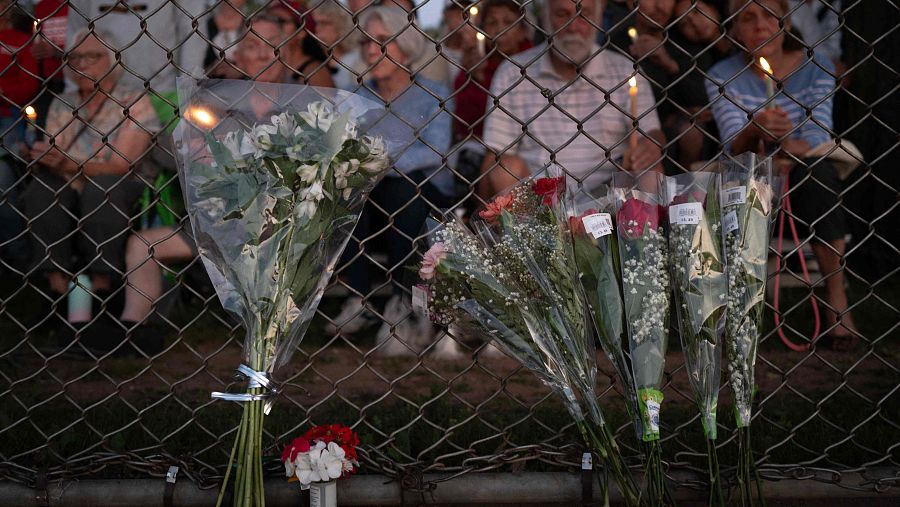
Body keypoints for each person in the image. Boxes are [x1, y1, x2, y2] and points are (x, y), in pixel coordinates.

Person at [705, 0, 857, 349]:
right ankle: (738, 309)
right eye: (748, 18)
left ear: (785, 23)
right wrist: (755, 128)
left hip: (804, 174)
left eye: (770, 15)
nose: (761, 25)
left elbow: (819, 135)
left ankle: (837, 300)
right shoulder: (721, 75)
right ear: (734, 30)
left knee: (819, 175)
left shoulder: (816, 65)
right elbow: (733, 144)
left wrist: (784, 140)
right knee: (738, 184)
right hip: (751, 176)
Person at [21, 28, 160, 349]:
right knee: (43, 188)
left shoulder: (134, 102)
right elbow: (56, 154)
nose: (82, 64)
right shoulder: (63, 102)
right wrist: (44, 157)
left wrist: (65, 162)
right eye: (74, 58)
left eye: (92, 56)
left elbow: (121, 165)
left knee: (104, 187)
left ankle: (101, 291)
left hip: (118, 183)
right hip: (69, 182)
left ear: (113, 61)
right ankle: (56, 293)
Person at [329, 6, 454, 356]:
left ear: (407, 45)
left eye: (383, 41)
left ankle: (403, 305)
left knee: (404, 190)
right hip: (371, 190)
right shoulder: (357, 98)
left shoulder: (435, 94)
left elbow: (435, 151)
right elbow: (345, 151)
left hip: (422, 188)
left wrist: (376, 162)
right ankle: (361, 298)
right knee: (345, 188)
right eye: (366, 41)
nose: (371, 50)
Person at [481, 0, 664, 197]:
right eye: (562, 14)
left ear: (598, 18)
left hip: (613, 192)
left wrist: (651, 145)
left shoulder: (626, 72)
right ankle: (526, 228)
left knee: (650, 167)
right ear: (545, 18)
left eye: (583, 15)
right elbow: (496, 155)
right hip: (539, 196)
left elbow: (652, 133)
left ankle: (646, 227)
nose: (573, 26)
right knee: (505, 167)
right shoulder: (513, 73)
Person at [453, 0, 532, 143]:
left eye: (508, 22)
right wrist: (476, 79)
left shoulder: (534, 63)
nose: (500, 29)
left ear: (522, 32)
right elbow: (465, 124)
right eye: (492, 23)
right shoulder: (475, 64)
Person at [0, 0, 41, 266]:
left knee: (2, 178)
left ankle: (17, 253)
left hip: (7, 117)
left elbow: (29, 84)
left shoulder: (19, 41)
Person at [265, 0, 335, 87]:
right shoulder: (261, 62)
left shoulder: (314, 72)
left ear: (301, 32)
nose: (271, 26)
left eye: (280, 21)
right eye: (268, 20)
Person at [311, 0, 362, 90]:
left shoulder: (356, 60)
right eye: (315, 23)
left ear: (341, 25)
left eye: (324, 23)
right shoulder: (310, 59)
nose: (317, 28)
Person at [203, 0, 248, 79]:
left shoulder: (251, 26)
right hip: (209, 86)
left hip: (244, 86)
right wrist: (212, 69)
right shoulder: (204, 26)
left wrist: (243, 70)